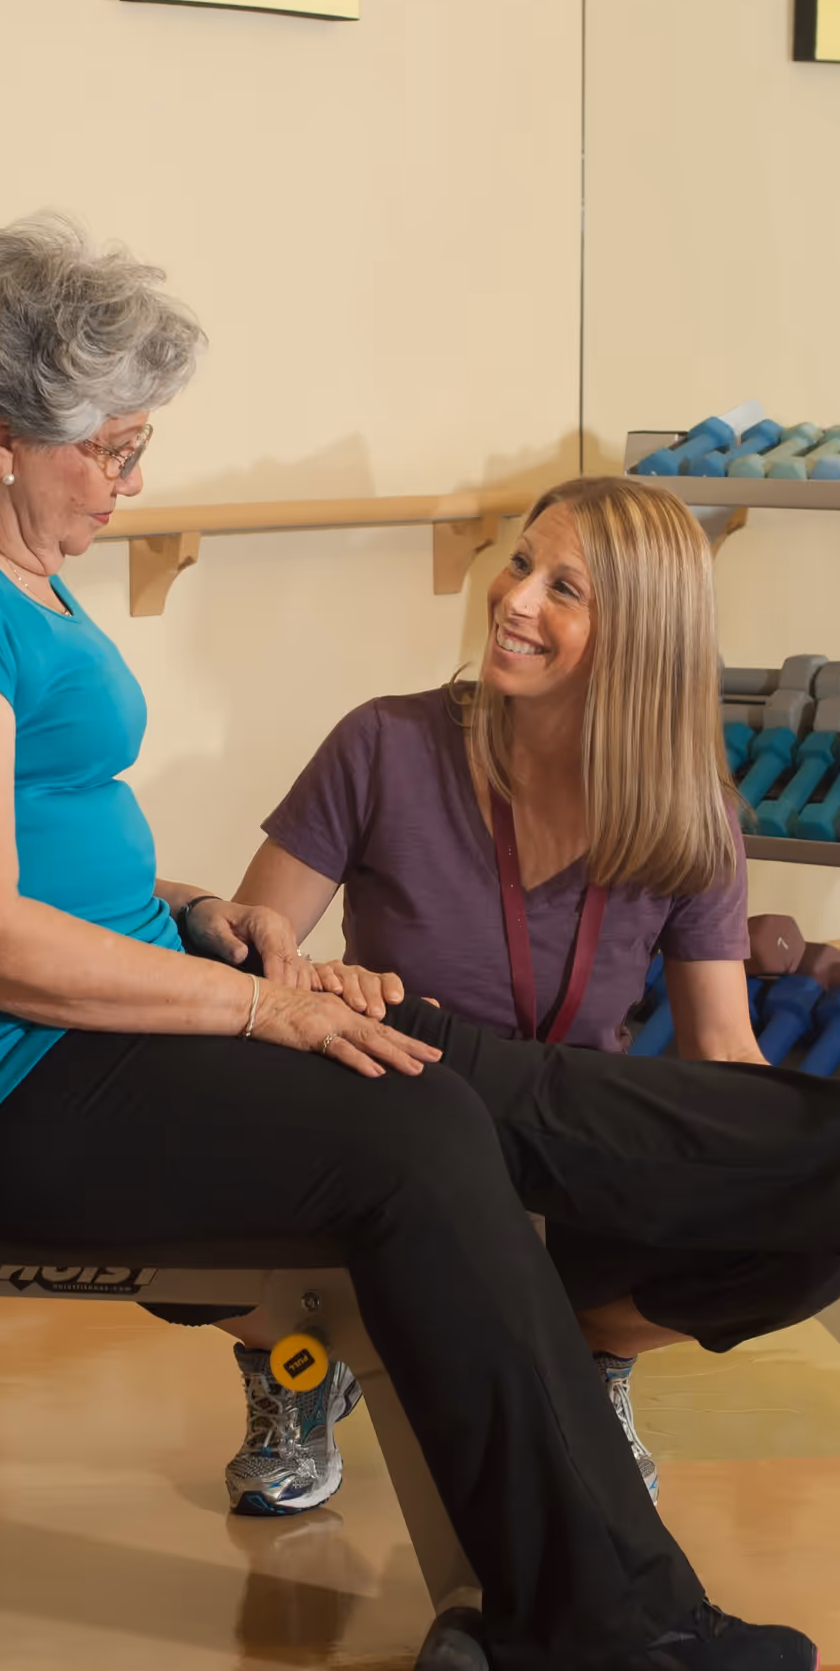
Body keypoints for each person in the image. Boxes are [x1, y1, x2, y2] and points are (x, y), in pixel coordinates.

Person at [0, 214, 840, 1671]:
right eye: (112, 449)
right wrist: (260, 997)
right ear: (0, 438)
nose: (130, 480)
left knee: (423, 1042)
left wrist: (186, 910)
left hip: (50, 1030)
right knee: (412, 1125)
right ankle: (595, 1605)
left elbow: (22, 844)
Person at [198, 476, 786, 1520]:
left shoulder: (694, 815)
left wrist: (786, 1161)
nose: (515, 599)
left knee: (808, 1235)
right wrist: (309, 980)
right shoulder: (383, 743)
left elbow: (720, 1049)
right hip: (399, 1127)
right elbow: (252, 960)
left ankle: (598, 1351)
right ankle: (293, 1359)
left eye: (565, 587)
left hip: (563, 1150)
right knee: (164, 1139)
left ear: (641, 634)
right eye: (521, 562)